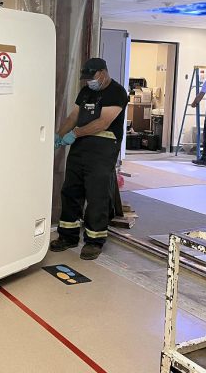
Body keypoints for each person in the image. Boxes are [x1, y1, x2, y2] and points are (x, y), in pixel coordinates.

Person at [51, 58, 128, 260]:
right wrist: (59, 135)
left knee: (97, 194)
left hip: (102, 148)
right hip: (81, 146)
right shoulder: (86, 92)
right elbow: (73, 116)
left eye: (92, 77)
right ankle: (68, 236)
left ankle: (94, 241)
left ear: (103, 72)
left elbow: (102, 123)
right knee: (71, 190)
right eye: (86, 78)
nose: (89, 82)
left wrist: (74, 134)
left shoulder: (116, 92)